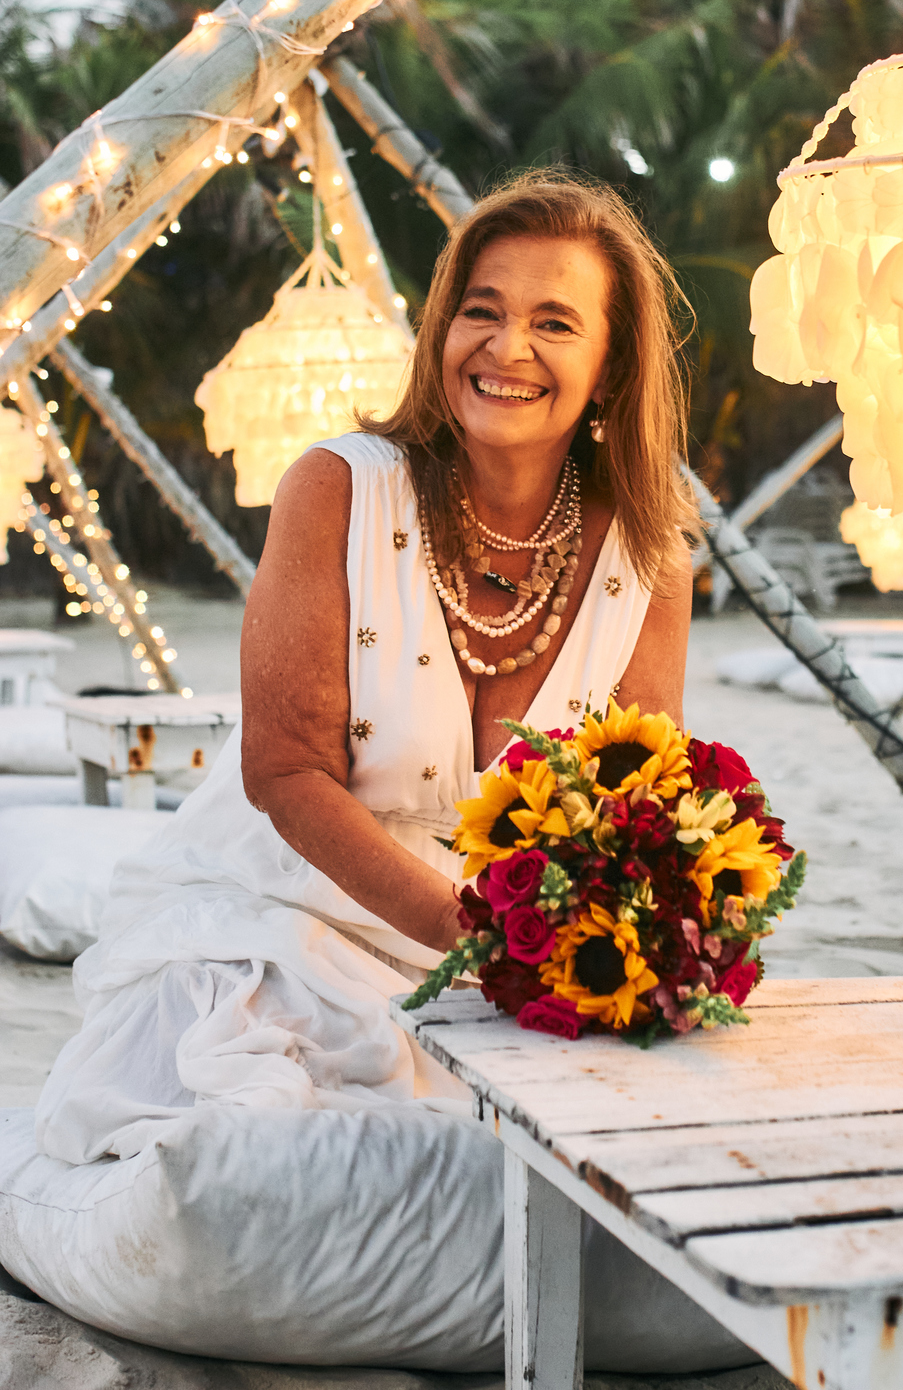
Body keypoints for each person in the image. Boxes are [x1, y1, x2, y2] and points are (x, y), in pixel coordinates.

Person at [8, 173, 753, 1373]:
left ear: (611, 367)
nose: (506, 347)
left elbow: (636, 805)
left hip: (505, 930)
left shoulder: (649, 548)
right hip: (287, 898)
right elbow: (285, 772)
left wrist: (635, 943)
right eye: (481, 309)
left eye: (555, 321)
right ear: (442, 327)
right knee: (248, 1105)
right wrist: (489, 947)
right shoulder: (340, 487)